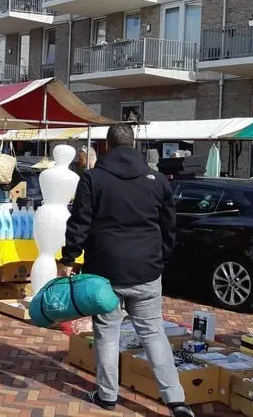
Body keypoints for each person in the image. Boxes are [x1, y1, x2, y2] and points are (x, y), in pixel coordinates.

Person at [58, 125, 192, 417]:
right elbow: (169, 225)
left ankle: (107, 395)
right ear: (134, 144)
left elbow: (79, 222)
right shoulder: (156, 180)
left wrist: (68, 258)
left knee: (107, 332)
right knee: (154, 333)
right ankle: (175, 400)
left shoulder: (93, 178)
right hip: (146, 269)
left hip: (105, 270)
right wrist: (162, 258)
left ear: (106, 146)